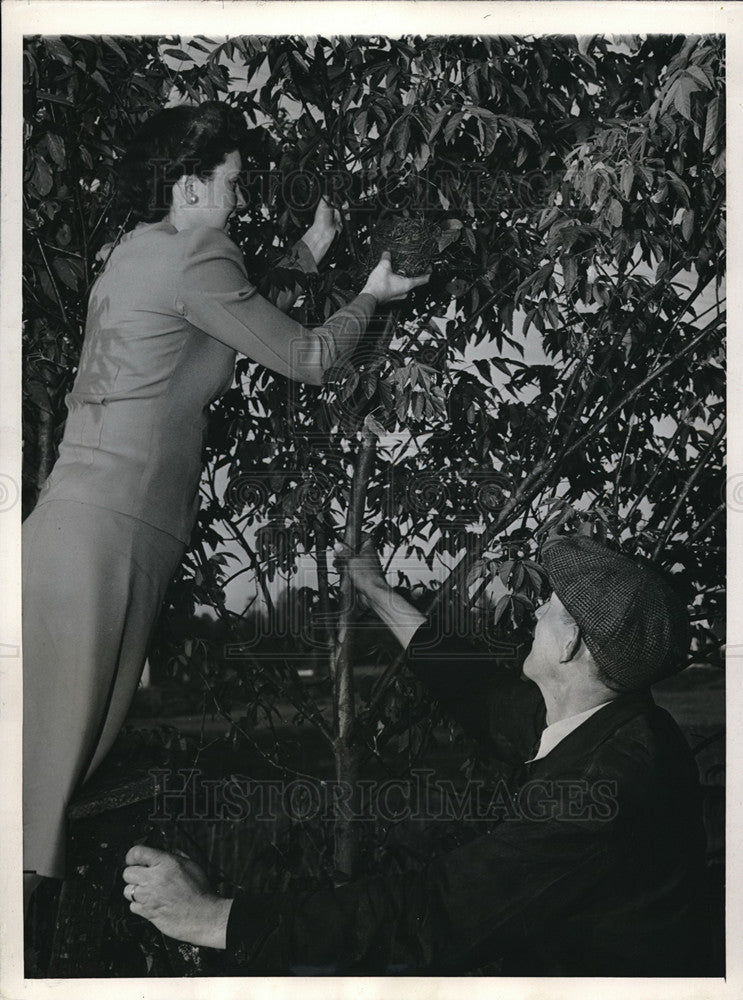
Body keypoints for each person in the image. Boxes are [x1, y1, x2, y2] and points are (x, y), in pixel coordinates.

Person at [22, 101, 429, 911]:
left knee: (46, 771)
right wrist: (372, 297)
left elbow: (227, 315)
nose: (240, 201)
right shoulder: (199, 253)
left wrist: (312, 249)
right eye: (232, 185)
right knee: (39, 792)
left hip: (82, 528)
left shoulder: (137, 252)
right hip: (110, 534)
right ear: (189, 186)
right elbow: (307, 355)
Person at [122, 533, 710, 976]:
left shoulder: (605, 786)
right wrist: (377, 591)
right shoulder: (603, 721)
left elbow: (434, 912)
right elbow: (473, 690)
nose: (533, 611)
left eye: (549, 605)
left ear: (572, 641)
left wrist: (215, 918)